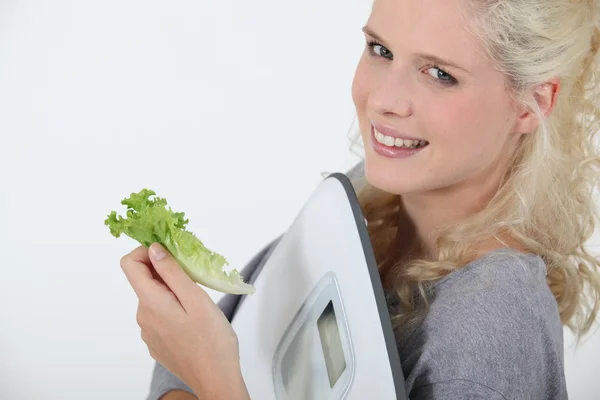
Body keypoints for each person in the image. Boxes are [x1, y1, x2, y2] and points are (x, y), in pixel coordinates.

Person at [119, 0, 600, 398]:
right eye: (380, 49)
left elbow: (211, 359)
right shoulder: (372, 196)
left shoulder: (491, 328)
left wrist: (215, 379)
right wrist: (196, 365)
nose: (384, 99)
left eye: (439, 73)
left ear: (530, 104)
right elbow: (231, 330)